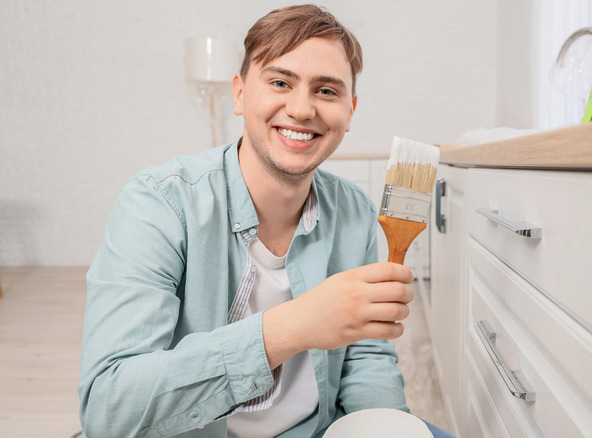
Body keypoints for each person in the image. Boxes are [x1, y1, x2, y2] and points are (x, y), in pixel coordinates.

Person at [78, 4, 453, 438]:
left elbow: (366, 356)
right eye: (279, 82)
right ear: (239, 94)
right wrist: (295, 325)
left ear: (350, 110)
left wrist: (384, 425)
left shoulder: (356, 213)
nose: (301, 109)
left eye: (327, 91)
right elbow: (108, 410)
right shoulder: (159, 204)